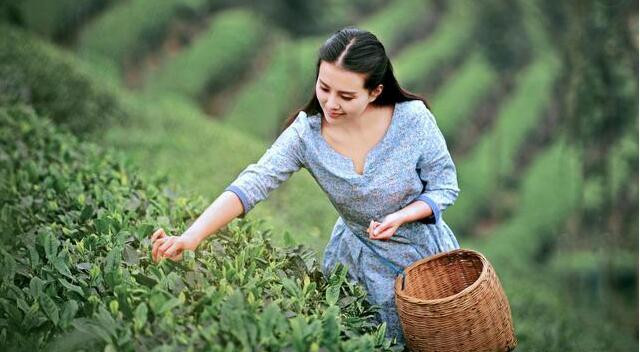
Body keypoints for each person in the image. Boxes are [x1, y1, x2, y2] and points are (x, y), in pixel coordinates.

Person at [150, 26, 461, 346]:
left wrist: (402, 216)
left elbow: (444, 186)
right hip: (361, 266)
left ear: (375, 92)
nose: (330, 103)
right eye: (324, 88)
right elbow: (254, 182)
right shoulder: (307, 135)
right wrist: (191, 236)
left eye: (346, 96)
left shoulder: (412, 120)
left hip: (425, 259)